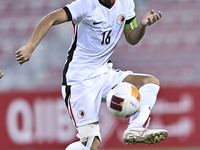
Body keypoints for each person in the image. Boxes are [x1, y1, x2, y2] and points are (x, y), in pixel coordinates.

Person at [15, 0, 168, 149]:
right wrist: (31, 46)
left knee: (150, 82)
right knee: (91, 144)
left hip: (104, 72)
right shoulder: (86, 4)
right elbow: (51, 17)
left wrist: (142, 25)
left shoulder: (126, 3)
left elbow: (131, 37)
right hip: (80, 80)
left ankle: (135, 128)